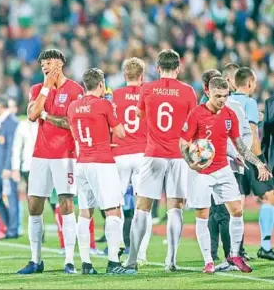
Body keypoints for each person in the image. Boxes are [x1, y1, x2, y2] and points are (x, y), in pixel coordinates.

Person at [179, 76, 271, 273]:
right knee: (202, 214)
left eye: (225, 95)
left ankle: (235, 255)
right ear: (208, 93)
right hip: (201, 172)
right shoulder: (196, 114)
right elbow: (183, 143)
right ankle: (208, 261)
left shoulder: (230, 114)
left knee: (237, 211)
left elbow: (240, 146)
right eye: (218, 96)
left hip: (222, 168)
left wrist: (259, 164)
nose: (222, 99)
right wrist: (191, 163)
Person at [123, 49, 197, 273]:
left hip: (153, 152)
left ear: (157, 69)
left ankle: (132, 259)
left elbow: (139, 115)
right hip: (178, 155)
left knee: (142, 207)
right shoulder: (188, 91)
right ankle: (171, 260)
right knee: (175, 208)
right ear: (178, 68)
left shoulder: (147, 88)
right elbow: (193, 124)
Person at [17, 49, 84, 275]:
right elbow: (32, 115)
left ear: (61, 63)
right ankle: (36, 260)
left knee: (66, 205)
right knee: (34, 206)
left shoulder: (76, 90)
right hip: (40, 156)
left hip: (65, 155)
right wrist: (46, 86)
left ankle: (69, 261)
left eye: (50, 62)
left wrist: (47, 116)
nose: (46, 67)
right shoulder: (37, 89)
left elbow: (72, 123)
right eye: (43, 64)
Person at [67, 67, 129, 275]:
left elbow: (78, 134)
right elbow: (120, 132)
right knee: (113, 210)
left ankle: (86, 264)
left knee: (85, 213)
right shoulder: (104, 104)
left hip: (82, 161)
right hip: (102, 163)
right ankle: (113, 263)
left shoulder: (73, 106)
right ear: (101, 84)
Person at [231, 67, 274, 261]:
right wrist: (261, 162)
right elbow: (252, 134)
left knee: (238, 203)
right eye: (254, 82)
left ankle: (236, 250)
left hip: (232, 158)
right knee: (270, 197)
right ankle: (265, 246)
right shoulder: (249, 102)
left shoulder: (229, 102)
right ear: (249, 83)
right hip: (249, 157)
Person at [112, 57, 150, 264]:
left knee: (116, 202)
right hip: (143, 153)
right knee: (143, 205)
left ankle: (116, 245)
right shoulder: (149, 93)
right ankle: (141, 254)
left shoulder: (114, 95)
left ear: (125, 75)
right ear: (142, 76)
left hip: (120, 152)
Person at [0, 97, 20, 239]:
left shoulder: (11, 122)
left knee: (11, 197)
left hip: (6, 168)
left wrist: (8, 167)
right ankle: (10, 226)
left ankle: (13, 229)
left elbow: (12, 146)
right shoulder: (3, 122)